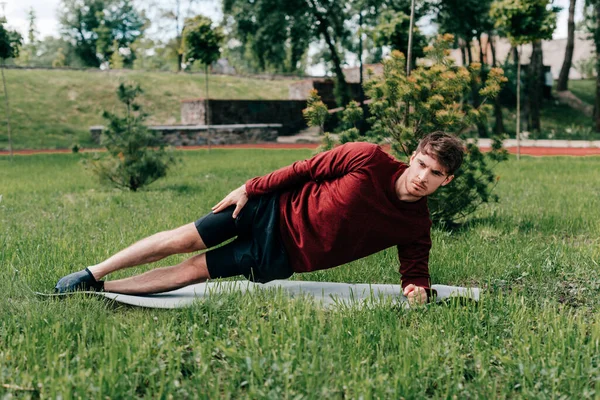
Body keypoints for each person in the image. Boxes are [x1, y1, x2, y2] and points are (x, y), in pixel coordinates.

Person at [55, 131, 464, 305]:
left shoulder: (416, 226)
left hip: (281, 255)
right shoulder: (367, 157)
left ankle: (104, 289)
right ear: (413, 156)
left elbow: (415, 271)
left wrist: (417, 291)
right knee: (185, 239)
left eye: (436, 174)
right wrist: (250, 187)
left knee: (195, 270)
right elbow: (304, 169)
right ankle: (91, 273)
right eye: (422, 165)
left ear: (447, 181)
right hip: (266, 208)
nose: (422, 178)